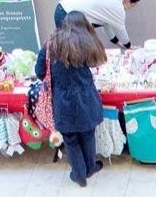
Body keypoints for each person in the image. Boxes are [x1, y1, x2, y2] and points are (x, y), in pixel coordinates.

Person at [37, 11, 107, 187]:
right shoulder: (87, 42)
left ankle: (79, 174)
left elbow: (39, 72)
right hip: (86, 98)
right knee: (88, 134)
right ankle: (90, 168)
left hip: (62, 100)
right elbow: (97, 62)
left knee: (70, 139)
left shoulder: (50, 44)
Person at [55, 0, 139, 46]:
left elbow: (107, 25)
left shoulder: (112, 0)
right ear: (127, 1)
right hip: (66, 15)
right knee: (71, 52)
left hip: (61, 10)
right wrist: (129, 46)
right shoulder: (118, 8)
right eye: (132, 5)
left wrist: (116, 42)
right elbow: (121, 31)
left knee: (73, 50)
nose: (131, 8)